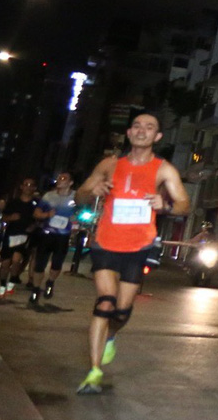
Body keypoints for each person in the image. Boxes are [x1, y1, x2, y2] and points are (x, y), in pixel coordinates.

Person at [75, 110, 191, 394]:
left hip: (138, 246)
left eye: (149, 127)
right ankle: (94, 370)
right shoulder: (109, 164)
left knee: (122, 311)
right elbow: (80, 195)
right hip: (105, 241)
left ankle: (112, 334)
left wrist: (163, 205)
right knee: (104, 302)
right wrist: (94, 190)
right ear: (128, 133)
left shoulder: (164, 169)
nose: (142, 130)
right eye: (136, 126)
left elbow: (184, 205)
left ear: (158, 136)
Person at [27, 172, 78, 306]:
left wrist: (76, 220)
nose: (60, 180)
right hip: (47, 234)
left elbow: (83, 211)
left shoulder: (76, 197)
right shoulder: (49, 196)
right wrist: (46, 214)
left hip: (63, 236)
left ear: (70, 183)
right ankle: (36, 289)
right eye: (59, 178)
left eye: (64, 178)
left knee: (56, 265)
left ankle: (50, 282)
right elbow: (36, 213)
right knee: (40, 264)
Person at [0, 178, 39, 302]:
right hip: (10, 235)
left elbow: (39, 219)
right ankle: (3, 285)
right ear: (21, 187)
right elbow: (3, 217)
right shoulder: (13, 202)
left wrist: (33, 226)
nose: (28, 187)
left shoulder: (36, 204)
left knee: (16, 260)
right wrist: (11, 217)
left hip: (24, 236)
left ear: (34, 188)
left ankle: (12, 281)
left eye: (31, 185)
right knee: (5, 263)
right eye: (26, 185)